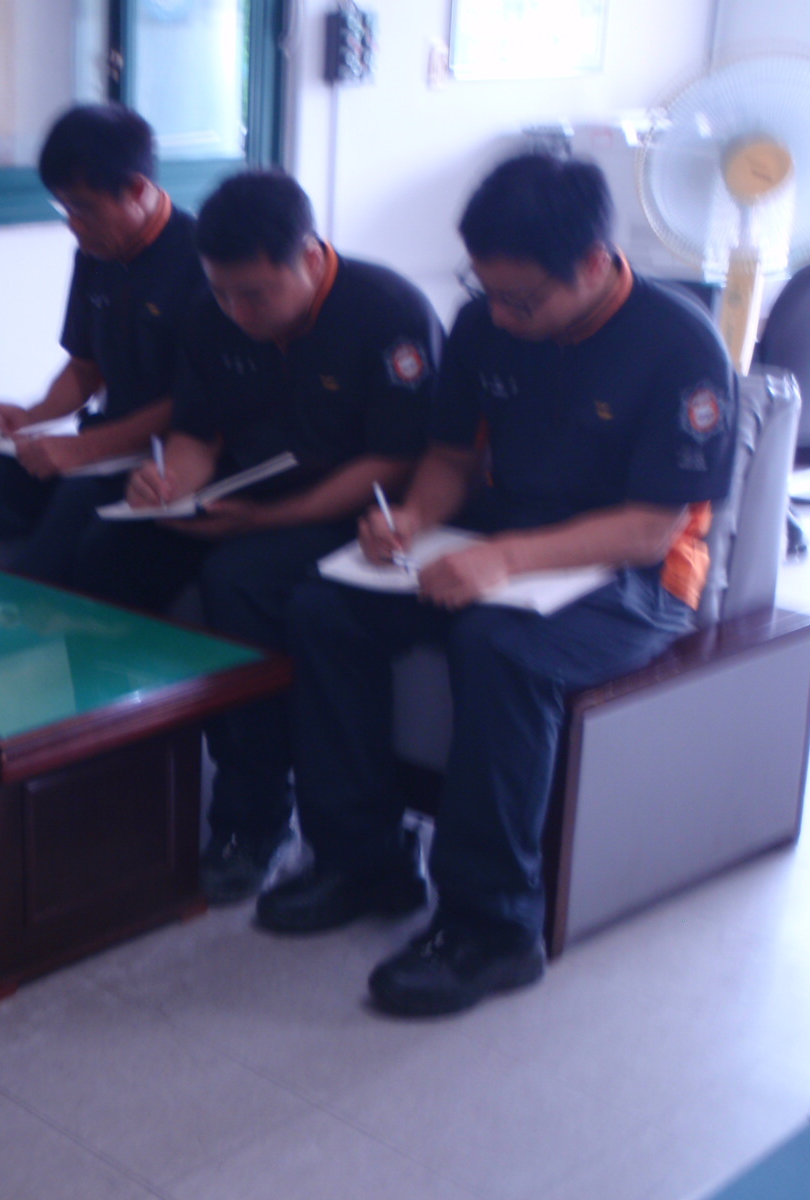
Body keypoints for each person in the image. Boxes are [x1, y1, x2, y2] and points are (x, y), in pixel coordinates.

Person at [261, 153, 737, 1017]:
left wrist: (507, 558)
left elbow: (649, 528)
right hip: (496, 541)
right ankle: (364, 862)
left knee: (501, 649)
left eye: (523, 300)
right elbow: (449, 458)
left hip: (638, 577)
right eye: (487, 291)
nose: (502, 316)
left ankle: (493, 927)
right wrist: (412, 519)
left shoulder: (680, 346)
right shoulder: (484, 324)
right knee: (325, 609)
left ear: (593, 263)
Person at [70, 170, 442, 905]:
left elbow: (397, 460)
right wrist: (169, 480)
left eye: (255, 295)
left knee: (240, 577)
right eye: (223, 293)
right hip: (239, 498)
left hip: (355, 513)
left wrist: (263, 520)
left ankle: (253, 818)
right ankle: (107, 785)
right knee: (106, 552)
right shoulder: (212, 315)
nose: (237, 313)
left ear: (309, 256)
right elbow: (196, 432)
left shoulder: (388, 311)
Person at [0, 103, 205, 585]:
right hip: (101, 448)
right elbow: (84, 368)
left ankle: (27, 628)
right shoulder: (97, 254)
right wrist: (30, 417)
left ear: (137, 190)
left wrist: (84, 449)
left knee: (74, 509)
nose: (73, 224)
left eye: (83, 208)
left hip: (162, 460)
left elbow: (193, 403)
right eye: (64, 208)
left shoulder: (199, 261)